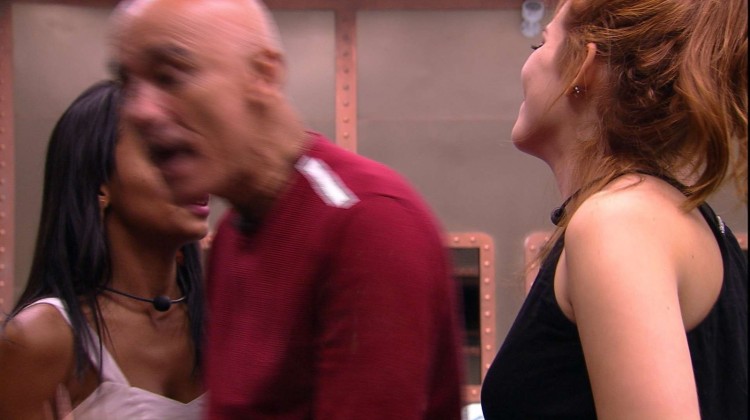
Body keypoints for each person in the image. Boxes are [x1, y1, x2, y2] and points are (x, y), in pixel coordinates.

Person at [109, 0, 465, 418]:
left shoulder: (367, 224)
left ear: (263, 75)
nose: (140, 111)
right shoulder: (232, 236)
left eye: (170, 76)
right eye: (128, 86)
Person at [481, 0, 747, 418]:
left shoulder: (617, 222)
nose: (527, 65)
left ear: (581, 70)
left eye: (540, 44)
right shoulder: (669, 216)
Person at [0, 81, 210, 419]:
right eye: (163, 152)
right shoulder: (41, 340)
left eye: (194, 151)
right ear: (100, 185)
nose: (195, 174)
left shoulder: (226, 318)